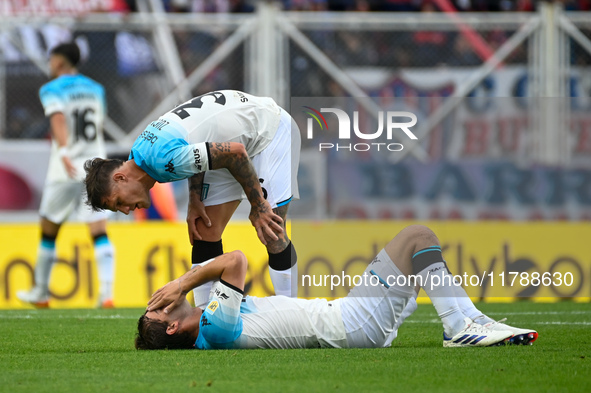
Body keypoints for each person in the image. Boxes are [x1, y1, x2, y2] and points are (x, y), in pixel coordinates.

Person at [136, 225, 538, 350]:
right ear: (172, 327)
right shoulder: (213, 329)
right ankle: (459, 328)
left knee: (418, 261)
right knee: (417, 237)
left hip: (347, 322)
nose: (165, 298)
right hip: (349, 325)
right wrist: (181, 283)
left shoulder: (207, 327)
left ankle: (471, 321)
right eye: (160, 305)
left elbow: (215, 257)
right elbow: (236, 260)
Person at [84, 90, 300, 307]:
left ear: (121, 177)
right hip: (233, 141)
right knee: (202, 230)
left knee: (272, 229)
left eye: (118, 202)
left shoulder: (159, 160)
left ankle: (291, 314)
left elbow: (236, 153)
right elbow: (194, 149)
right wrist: (195, 198)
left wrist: (258, 204)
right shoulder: (140, 154)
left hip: (269, 130)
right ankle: (202, 319)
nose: (125, 210)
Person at [17, 42, 115, 308]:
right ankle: (106, 294)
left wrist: (63, 151)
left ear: (59, 62)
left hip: (66, 165)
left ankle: (40, 293)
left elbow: (58, 118)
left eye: (51, 60)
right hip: (95, 166)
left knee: (49, 230)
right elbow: (98, 121)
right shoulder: (96, 88)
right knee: (98, 231)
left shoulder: (51, 89)